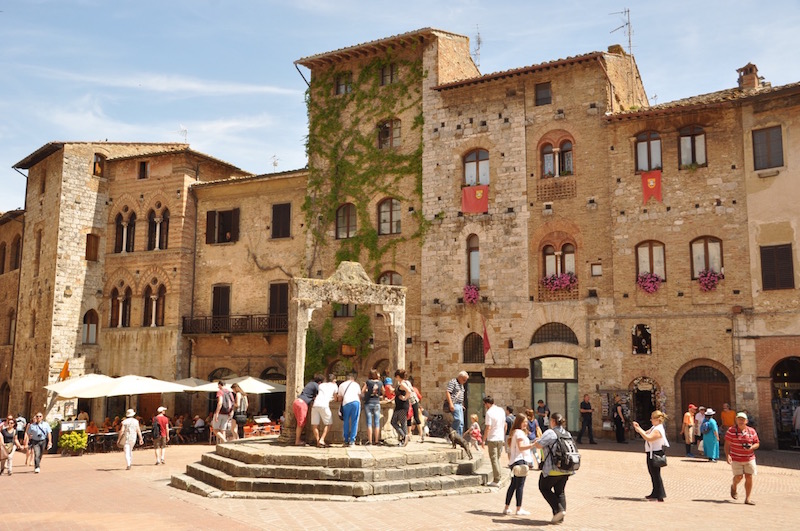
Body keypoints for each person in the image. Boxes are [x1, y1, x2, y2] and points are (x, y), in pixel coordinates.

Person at [533, 412, 576, 524]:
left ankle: (558, 510)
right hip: (567, 468)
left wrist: (536, 442)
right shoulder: (567, 433)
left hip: (552, 468)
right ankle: (560, 518)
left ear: (552, 421)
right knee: (560, 491)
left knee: (544, 487)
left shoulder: (550, 432)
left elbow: (540, 445)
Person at [632, 410, 669, 502]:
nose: (651, 420)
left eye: (652, 418)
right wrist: (638, 427)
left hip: (656, 453)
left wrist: (639, 430)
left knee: (656, 474)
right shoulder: (654, 427)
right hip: (651, 452)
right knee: (652, 473)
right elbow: (645, 433)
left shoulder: (658, 429)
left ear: (657, 419)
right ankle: (655, 492)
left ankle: (660, 494)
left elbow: (649, 438)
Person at [724, 411, 760, 505]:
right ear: (736, 420)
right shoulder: (731, 431)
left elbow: (757, 443)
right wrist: (727, 455)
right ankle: (734, 486)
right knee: (739, 477)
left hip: (749, 458)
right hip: (736, 458)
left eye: (742, 419)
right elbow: (727, 444)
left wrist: (751, 447)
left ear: (746, 421)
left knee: (749, 476)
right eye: (739, 419)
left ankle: (748, 499)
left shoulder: (751, 431)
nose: (741, 421)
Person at [503, 413, 533, 516]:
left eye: (526, 422)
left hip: (514, 461)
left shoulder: (515, 432)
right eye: (524, 422)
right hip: (520, 460)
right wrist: (532, 445)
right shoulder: (519, 433)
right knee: (520, 486)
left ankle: (507, 507)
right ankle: (519, 509)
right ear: (519, 422)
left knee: (513, 485)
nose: (526, 424)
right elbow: (521, 447)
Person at [483, 396, 506, 488]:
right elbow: (505, 424)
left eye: (485, 404)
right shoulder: (501, 410)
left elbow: (488, 427)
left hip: (492, 438)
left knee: (494, 459)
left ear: (487, 403)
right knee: (497, 458)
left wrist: (483, 439)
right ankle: (499, 476)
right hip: (500, 437)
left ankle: (497, 479)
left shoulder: (489, 413)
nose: (485, 406)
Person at [293, 374, 322, 446]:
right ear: (320, 382)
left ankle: (298, 439)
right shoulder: (316, 385)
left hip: (297, 401)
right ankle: (297, 441)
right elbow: (320, 395)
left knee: (299, 423)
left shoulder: (310, 384)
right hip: (302, 404)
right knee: (301, 423)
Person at [311, 374, 338, 448]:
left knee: (315, 424)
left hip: (315, 404)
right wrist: (332, 399)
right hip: (324, 405)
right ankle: (322, 439)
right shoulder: (334, 386)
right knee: (329, 423)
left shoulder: (321, 385)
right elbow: (336, 399)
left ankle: (318, 441)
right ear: (333, 380)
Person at [337, 371, 361, 446]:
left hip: (346, 403)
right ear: (352, 379)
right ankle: (352, 440)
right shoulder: (356, 384)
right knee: (354, 421)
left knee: (346, 421)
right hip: (355, 402)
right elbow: (359, 395)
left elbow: (340, 398)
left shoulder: (341, 385)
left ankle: (346, 439)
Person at [361, 369, 383, 445]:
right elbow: (383, 391)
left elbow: (362, 391)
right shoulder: (380, 383)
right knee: (377, 422)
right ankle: (376, 440)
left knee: (369, 422)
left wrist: (366, 391)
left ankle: (370, 441)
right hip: (376, 402)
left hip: (368, 402)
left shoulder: (368, 382)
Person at [391, 369, 411, 446]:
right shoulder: (401, 384)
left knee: (394, 422)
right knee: (402, 423)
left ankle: (404, 436)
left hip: (402, 406)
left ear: (398, 376)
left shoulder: (402, 384)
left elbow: (409, 391)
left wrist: (404, 398)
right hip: (399, 406)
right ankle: (404, 439)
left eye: (396, 376)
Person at [445, 371, 468, 435]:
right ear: (460, 377)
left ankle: (459, 438)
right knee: (458, 420)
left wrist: (462, 405)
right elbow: (448, 392)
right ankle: (451, 434)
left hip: (459, 405)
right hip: (455, 404)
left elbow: (460, 395)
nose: (465, 381)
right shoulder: (453, 382)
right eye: (464, 380)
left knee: (461, 423)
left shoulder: (461, 385)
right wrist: (451, 404)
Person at [407, 376, 424, 442]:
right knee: (416, 418)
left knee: (410, 419)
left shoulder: (408, 389)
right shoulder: (415, 389)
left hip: (411, 404)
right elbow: (420, 397)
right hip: (414, 403)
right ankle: (420, 435)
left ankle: (410, 434)